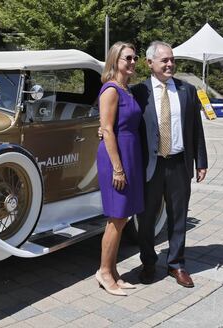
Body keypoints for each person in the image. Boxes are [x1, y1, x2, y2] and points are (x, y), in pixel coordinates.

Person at [132, 41, 208, 288]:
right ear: (150, 63)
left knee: (178, 216)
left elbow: (196, 129)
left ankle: (176, 264)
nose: (170, 64)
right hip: (150, 166)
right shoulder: (138, 92)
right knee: (145, 219)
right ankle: (149, 262)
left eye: (172, 59)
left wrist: (201, 160)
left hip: (178, 164)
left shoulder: (187, 91)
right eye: (164, 60)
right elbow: (126, 125)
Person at [95, 42, 144, 296]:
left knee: (122, 217)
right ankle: (104, 272)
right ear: (115, 60)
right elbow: (106, 130)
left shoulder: (127, 89)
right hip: (116, 158)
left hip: (129, 155)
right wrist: (118, 168)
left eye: (135, 58)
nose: (133, 62)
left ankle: (113, 271)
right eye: (128, 58)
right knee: (116, 218)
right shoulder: (111, 90)